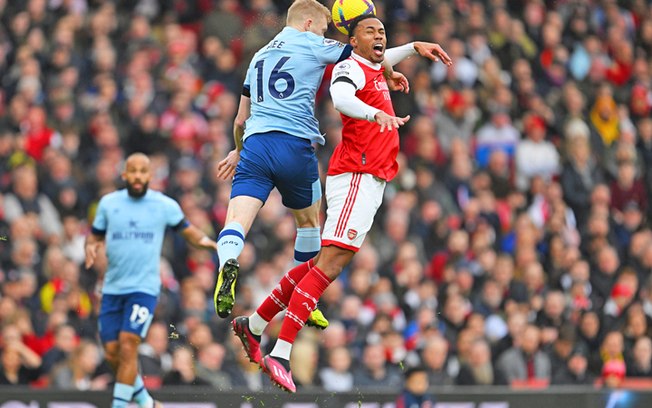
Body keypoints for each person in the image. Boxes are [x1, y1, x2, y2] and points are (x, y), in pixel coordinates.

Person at [233, 14, 452, 393]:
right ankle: (281, 353)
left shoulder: (373, 65)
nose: (380, 35)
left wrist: (415, 48)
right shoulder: (349, 67)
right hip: (355, 175)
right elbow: (343, 98)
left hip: (372, 178)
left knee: (322, 264)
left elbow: (382, 63)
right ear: (352, 39)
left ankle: (252, 326)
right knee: (330, 264)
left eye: (382, 31)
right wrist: (376, 112)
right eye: (370, 31)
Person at [212, 0, 443, 321]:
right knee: (308, 225)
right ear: (308, 24)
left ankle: (228, 262)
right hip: (294, 145)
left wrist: (237, 151)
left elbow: (239, 120)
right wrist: (412, 48)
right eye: (323, 29)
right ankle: (306, 302)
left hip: (254, 145)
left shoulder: (258, 57)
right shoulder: (311, 42)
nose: (325, 35)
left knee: (236, 219)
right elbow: (369, 59)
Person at [84, 153, 218, 408]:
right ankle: (146, 401)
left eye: (142, 171)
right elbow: (94, 235)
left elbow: (188, 230)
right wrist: (90, 246)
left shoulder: (163, 205)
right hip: (112, 288)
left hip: (143, 289)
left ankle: (120, 405)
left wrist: (207, 241)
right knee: (112, 353)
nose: (137, 176)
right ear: (124, 175)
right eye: (132, 171)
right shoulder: (108, 204)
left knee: (127, 344)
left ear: (150, 176)